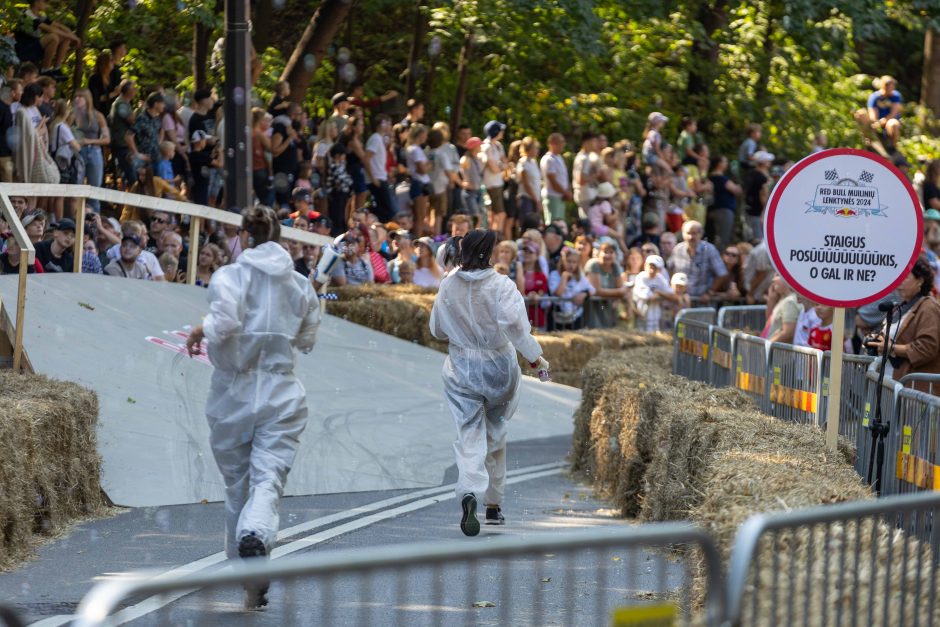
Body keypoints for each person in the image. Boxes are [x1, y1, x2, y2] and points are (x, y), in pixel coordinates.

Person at [184, 206, 319, 610]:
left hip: (233, 390)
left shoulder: (229, 276)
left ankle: (247, 575)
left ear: (244, 235)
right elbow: (308, 339)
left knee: (236, 485)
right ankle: (256, 541)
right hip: (280, 388)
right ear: (279, 235)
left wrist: (200, 328)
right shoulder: (299, 284)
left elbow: (224, 322)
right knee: (268, 478)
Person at [428, 230, 548, 536]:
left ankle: (469, 489)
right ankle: (494, 504)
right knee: (496, 429)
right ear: (490, 252)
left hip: (461, 368)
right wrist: (535, 358)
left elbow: (437, 330)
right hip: (498, 366)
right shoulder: (501, 285)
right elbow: (518, 329)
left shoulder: (448, 285)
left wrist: (461, 330)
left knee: (469, 431)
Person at [866, 256, 940, 386]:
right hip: (892, 387)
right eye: (898, 277)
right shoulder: (901, 307)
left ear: (920, 280)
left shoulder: (929, 307)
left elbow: (927, 348)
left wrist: (892, 348)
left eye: (905, 277)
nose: (899, 282)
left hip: (915, 392)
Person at [667, 220, 727, 302]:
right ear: (683, 234)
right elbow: (669, 270)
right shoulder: (678, 249)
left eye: (694, 233)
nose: (691, 237)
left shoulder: (709, 250)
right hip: (681, 301)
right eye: (688, 233)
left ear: (701, 234)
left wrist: (710, 293)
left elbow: (722, 273)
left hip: (702, 303)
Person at [72, 87, 110, 211]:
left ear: (87, 99)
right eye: (76, 97)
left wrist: (89, 141)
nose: (77, 99)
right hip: (77, 152)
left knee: (95, 190)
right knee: (76, 189)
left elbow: (106, 139)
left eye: (80, 97)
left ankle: (95, 221)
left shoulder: (98, 115)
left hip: (94, 151)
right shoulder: (71, 114)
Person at [548, 245, 596, 330]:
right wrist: (564, 278)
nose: (571, 265)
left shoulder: (580, 277)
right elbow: (558, 293)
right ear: (563, 260)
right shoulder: (554, 275)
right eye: (568, 261)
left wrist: (585, 294)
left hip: (575, 317)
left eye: (574, 262)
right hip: (558, 317)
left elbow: (593, 290)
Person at [585, 241, 626, 328]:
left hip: (607, 307)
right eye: (605, 252)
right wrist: (618, 292)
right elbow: (596, 290)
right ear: (599, 253)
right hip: (592, 307)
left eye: (611, 252)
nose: (608, 255)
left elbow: (621, 288)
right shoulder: (593, 265)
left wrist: (619, 293)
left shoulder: (615, 266)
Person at [706, 155, 742, 252]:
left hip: (712, 210)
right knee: (723, 238)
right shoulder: (721, 179)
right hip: (723, 211)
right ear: (719, 164)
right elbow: (736, 190)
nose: (727, 164)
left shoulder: (709, 177)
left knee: (713, 237)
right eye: (725, 161)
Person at [633, 254, 675, 332]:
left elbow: (671, 294)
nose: (652, 270)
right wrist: (661, 295)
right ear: (645, 265)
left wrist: (659, 292)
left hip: (656, 315)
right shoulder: (641, 277)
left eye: (655, 267)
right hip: (642, 313)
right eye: (651, 266)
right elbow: (647, 296)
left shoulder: (660, 278)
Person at [481, 120, 508, 234]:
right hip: (491, 183)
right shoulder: (486, 147)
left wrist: (501, 165)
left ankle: (492, 234)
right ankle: (497, 235)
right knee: (500, 213)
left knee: (493, 213)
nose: (502, 132)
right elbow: (494, 168)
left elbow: (503, 161)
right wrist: (503, 166)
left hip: (498, 182)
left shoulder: (498, 145)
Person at [540, 132, 571, 225]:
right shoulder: (549, 159)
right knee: (553, 223)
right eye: (561, 142)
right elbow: (552, 180)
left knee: (560, 222)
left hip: (560, 196)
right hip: (553, 195)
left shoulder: (559, 157)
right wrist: (565, 192)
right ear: (553, 143)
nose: (563, 144)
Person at [866, 75, 903, 148]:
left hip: (889, 121)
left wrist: (883, 121)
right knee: (863, 118)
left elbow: (894, 112)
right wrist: (876, 122)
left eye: (893, 85)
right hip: (878, 122)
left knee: (893, 124)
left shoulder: (896, 96)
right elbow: (872, 113)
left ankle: (893, 147)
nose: (891, 87)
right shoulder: (875, 97)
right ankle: (870, 146)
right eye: (888, 85)